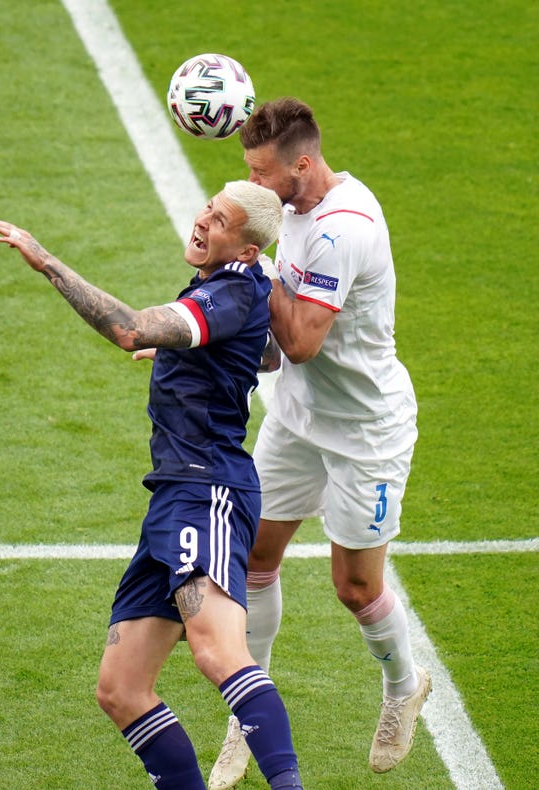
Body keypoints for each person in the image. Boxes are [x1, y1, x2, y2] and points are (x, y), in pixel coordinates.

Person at [0, 180, 303, 790]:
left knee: (216, 651)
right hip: (173, 497)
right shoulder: (235, 286)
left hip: (207, 488)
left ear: (245, 248)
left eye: (220, 219)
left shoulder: (233, 288)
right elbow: (264, 355)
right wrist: (192, 356)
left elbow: (130, 329)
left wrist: (45, 259)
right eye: (206, 208)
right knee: (121, 688)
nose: (202, 221)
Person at [208, 99, 431, 789]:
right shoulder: (294, 209)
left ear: (302, 165)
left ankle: (404, 685)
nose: (250, 184)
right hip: (298, 422)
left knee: (355, 586)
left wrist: (253, 267)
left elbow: (300, 342)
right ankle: (249, 715)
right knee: (250, 562)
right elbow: (277, 356)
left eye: (260, 172)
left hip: (367, 434)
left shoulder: (344, 228)